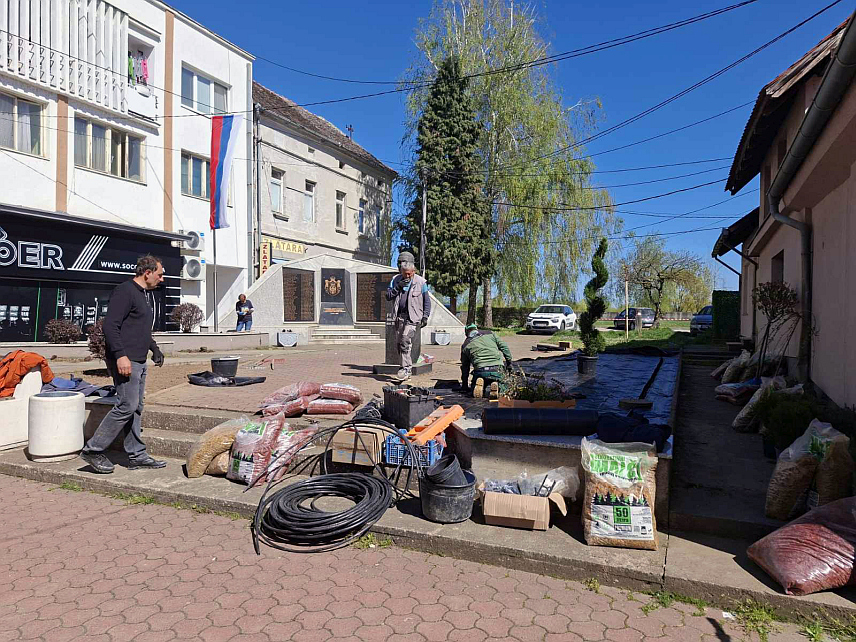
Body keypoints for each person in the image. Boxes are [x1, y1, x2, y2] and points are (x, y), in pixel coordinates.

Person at [79, 255, 167, 474]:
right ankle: (93, 450)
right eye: (159, 274)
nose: (162, 279)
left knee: (136, 408)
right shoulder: (125, 291)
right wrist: (120, 356)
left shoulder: (143, 295)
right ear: (147, 273)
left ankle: (137, 455)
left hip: (138, 360)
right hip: (126, 360)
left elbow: (140, 329)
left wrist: (154, 348)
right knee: (127, 405)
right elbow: (111, 326)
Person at [386, 252, 431, 382]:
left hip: (413, 319)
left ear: (413, 271)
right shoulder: (395, 280)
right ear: (401, 271)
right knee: (400, 344)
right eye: (405, 273)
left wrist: (425, 316)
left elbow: (427, 301)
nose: (407, 276)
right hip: (399, 318)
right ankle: (405, 369)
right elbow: (388, 296)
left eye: (409, 274)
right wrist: (398, 287)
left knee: (405, 340)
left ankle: (405, 369)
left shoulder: (421, 282)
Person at [460, 323, 513, 399]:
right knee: (503, 386)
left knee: (477, 381)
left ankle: (481, 382)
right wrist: (509, 362)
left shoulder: (465, 345)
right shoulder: (490, 333)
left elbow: (465, 367)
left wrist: (464, 385)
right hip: (497, 368)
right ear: (476, 329)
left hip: (480, 370)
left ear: (466, 333)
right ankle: (497, 385)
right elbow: (504, 347)